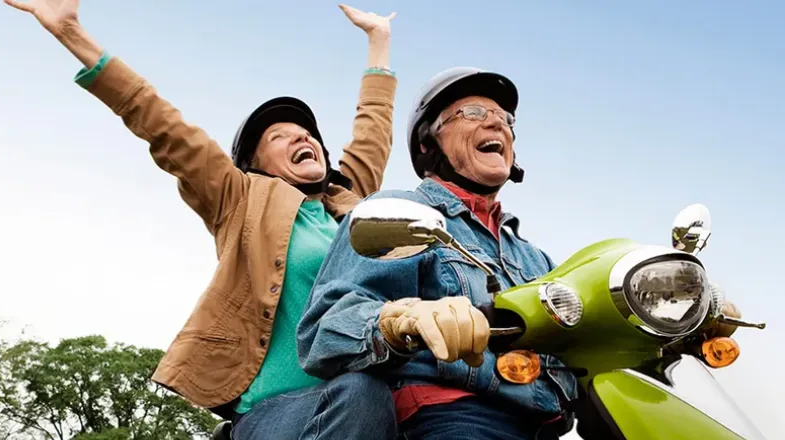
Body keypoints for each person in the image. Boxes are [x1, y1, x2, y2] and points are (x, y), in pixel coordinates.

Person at [5, 0, 399, 438]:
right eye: (279, 136)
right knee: (363, 392)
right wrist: (71, 33)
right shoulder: (239, 197)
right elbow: (163, 125)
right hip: (276, 412)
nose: (301, 137)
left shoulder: (350, 206)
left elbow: (372, 134)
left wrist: (378, 41)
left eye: (307, 134)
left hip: (359, 406)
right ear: (255, 165)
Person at [296, 66, 744, 439]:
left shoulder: (536, 260)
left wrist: (683, 320)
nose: (496, 124)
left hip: (543, 426)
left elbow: (589, 342)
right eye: (473, 113)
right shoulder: (404, 213)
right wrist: (403, 319)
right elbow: (324, 331)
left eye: (505, 118)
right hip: (451, 416)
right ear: (428, 143)